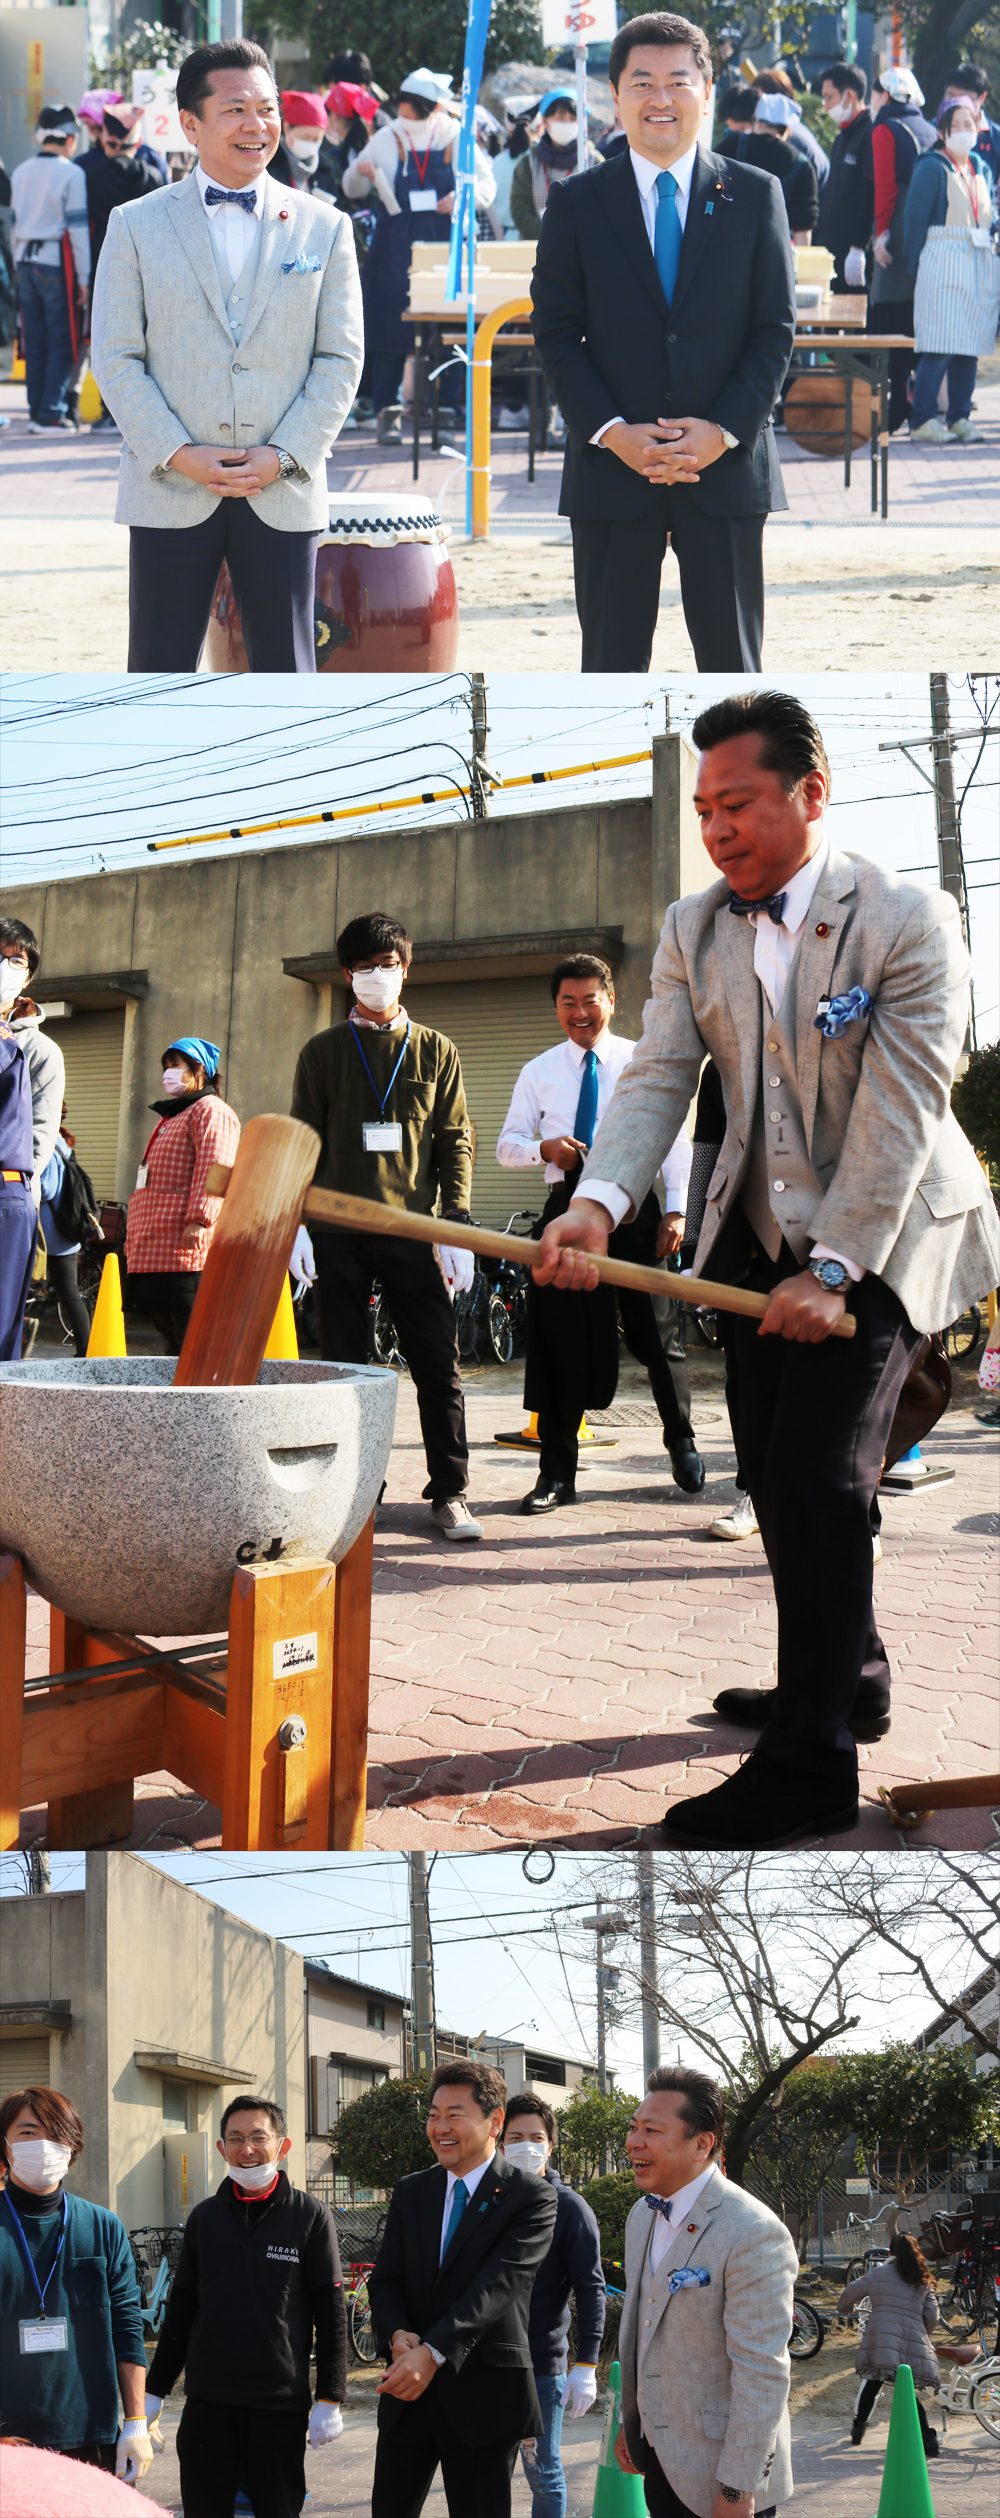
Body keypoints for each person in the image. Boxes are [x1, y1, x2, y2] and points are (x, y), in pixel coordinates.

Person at [533, 687, 1000, 1849]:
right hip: (756, 1238)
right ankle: (848, 1682)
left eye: (737, 802)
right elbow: (656, 1081)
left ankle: (808, 1768)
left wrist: (835, 1268)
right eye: (704, 808)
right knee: (775, 1477)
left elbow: (900, 1110)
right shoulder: (693, 928)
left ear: (810, 794)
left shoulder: (907, 917)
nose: (718, 827)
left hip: (887, 1237)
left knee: (819, 1475)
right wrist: (597, 1204)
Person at [530, 12, 796, 675]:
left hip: (726, 468)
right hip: (613, 468)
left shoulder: (755, 195)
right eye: (641, 82)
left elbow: (775, 331)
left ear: (706, 91)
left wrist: (725, 430)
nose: (660, 99)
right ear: (615, 96)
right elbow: (556, 333)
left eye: (678, 81)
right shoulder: (577, 202)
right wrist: (614, 431)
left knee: (734, 673)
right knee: (610, 669)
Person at [90, 37, 364, 674]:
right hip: (169, 483)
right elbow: (116, 355)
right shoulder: (134, 224)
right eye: (236, 109)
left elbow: (340, 357)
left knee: (288, 672)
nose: (258, 125)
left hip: (283, 482)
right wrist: (179, 453)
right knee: (157, 672)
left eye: (267, 110)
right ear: (190, 123)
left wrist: (286, 453)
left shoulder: (325, 227)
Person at [289, 912, 483, 1543]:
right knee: (344, 1365)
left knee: (436, 1360)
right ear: (348, 975)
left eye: (389, 965)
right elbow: (303, 1142)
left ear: (406, 969)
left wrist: (456, 1223)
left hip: (413, 1227)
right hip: (338, 1230)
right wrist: (298, 1223)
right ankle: (354, 1492)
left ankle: (449, 1491)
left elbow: (456, 1140)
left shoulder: (437, 1050)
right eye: (366, 967)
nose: (379, 977)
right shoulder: (321, 1052)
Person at [496, 952, 703, 1512]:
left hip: (637, 1210)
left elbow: (676, 1142)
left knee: (658, 1336)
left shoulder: (643, 1060)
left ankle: (681, 1440)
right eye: (569, 1002)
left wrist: (678, 1210)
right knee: (558, 1342)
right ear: (557, 1008)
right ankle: (556, 1474)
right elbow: (505, 1144)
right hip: (567, 1209)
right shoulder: (538, 1071)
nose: (581, 1012)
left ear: (611, 1001)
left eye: (591, 1000)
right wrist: (543, 1147)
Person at [367, 2059, 558, 2518]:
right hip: (406, 2393)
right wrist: (397, 2335)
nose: (440, 2127)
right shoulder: (413, 2191)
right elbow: (386, 2277)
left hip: (484, 2397)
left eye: (455, 2114)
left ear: (495, 2122)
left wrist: (431, 2352)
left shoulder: (529, 2196)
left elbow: (498, 2285)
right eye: (434, 2115)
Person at [144, 2095, 346, 2518]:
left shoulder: (310, 2215)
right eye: (235, 2138)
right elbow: (181, 2308)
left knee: (277, 2507)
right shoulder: (205, 2218)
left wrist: (330, 2396)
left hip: (278, 2402)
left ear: (282, 2146)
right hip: (208, 2400)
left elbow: (331, 2311)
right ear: (221, 2149)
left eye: (258, 2137)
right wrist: (154, 2389)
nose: (246, 2149)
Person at [614, 2068, 797, 2518]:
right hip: (657, 2455)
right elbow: (644, 2331)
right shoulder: (642, 2214)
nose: (634, 2141)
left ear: (702, 2144)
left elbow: (762, 2371)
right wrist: (629, 2423)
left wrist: (737, 2488)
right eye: (634, 2127)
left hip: (722, 2472)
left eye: (652, 2130)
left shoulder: (752, 2230)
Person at [0, 2084, 151, 2485]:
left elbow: (127, 2326)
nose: (43, 2145)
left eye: (56, 2133)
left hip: (92, 2432)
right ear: (5, 2144)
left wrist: (135, 2421)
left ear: (73, 2146)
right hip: (7, 2441)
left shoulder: (102, 2226)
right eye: (29, 2133)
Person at [344, 68, 495, 443]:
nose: (406, 114)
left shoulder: (457, 138)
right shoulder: (386, 136)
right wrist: (362, 173)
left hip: (447, 246)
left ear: (429, 107)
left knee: (450, 326)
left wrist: (464, 198)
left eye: (412, 108)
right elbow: (351, 185)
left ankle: (448, 410)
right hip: (394, 246)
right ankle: (387, 413)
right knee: (388, 327)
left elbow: (487, 187)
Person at [499, 2091, 605, 2518]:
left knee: (542, 2471)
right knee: (486, 2471)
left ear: (550, 2144)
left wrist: (587, 2364)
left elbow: (591, 2286)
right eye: (515, 2136)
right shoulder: (489, 2201)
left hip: (541, 2366)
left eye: (536, 2137)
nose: (526, 2145)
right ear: (499, 2140)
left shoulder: (570, 2208)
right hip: (484, 2363)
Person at [123, 1035, 240, 1354]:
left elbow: (216, 1166)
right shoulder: (173, 1114)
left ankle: (199, 1399)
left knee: (193, 1336)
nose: (168, 1073)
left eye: (176, 1065)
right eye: (166, 1066)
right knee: (170, 1335)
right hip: (158, 1240)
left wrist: (200, 1220)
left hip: (186, 1243)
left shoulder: (210, 1110)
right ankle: (176, 1398)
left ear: (200, 1070)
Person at [905, 97, 999, 445]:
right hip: (942, 262)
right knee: (940, 344)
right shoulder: (930, 167)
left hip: (977, 262)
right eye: (955, 125)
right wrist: (914, 265)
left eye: (969, 125)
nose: (963, 132)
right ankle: (923, 419)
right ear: (942, 130)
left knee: (969, 346)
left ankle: (960, 417)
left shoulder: (981, 167)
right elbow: (914, 222)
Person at [10, 103, 90, 434]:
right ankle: (51, 413)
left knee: (35, 339)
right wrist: (85, 277)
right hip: (55, 263)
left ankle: (36, 411)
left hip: (24, 263)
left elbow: (13, 223)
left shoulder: (21, 171)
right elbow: (78, 229)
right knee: (62, 339)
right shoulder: (72, 173)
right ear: (70, 138)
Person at [868, 68, 936, 435]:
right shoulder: (929, 129)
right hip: (929, 235)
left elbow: (886, 187)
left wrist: (881, 234)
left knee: (890, 313)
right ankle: (918, 400)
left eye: (876, 92)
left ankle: (895, 408)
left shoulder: (885, 129)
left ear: (887, 95)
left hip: (897, 228)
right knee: (919, 315)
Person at [0, 920, 54, 1360]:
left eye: (15, 961)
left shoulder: (37, 1050)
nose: (4, 967)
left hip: (9, 1189)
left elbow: (39, 1129)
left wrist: (27, 1189)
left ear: (28, 976)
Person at [837, 2232, 941, 2459]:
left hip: (881, 2342)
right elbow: (933, 2315)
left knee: (872, 2381)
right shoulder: (923, 2279)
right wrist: (921, 2334)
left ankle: (858, 2429)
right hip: (913, 2346)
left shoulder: (879, 2273)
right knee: (907, 2391)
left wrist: (847, 2310)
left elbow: (849, 2293)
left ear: (891, 2253)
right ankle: (929, 2440)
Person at [509, 91, 603, 239]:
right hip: (538, 247)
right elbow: (519, 208)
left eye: (573, 119)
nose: (567, 123)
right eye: (560, 118)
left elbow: (603, 207)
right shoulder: (529, 162)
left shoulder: (593, 161)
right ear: (545, 122)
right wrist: (548, 235)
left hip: (584, 247)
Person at [815, 64, 874, 290]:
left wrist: (859, 247)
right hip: (832, 249)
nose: (826, 105)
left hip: (853, 251)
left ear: (849, 96)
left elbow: (870, 194)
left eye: (829, 97)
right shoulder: (841, 138)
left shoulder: (869, 133)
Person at [38, 1116, 93, 1355]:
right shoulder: (63, 1147)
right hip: (64, 1235)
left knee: (63, 1293)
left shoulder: (48, 1149)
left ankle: (85, 1349)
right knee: (69, 1293)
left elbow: (46, 1188)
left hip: (49, 1235)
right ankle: (85, 1349)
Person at [744, 94, 818, 242]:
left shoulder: (731, 146)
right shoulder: (802, 165)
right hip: (776, 252)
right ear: (788, 129)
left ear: (757, 122)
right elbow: (803, 229)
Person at [940, 60, 1000, 188]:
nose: (955, 105)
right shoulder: (933, 129)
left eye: (964, 99)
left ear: (982, 98)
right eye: (951, 97)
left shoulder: (996, 137)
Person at [271, 89, 329, 191]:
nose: (310, 144)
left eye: (316, 140)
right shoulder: (269, 164)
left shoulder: (325, 169)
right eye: (305, 138)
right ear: (287, 128)